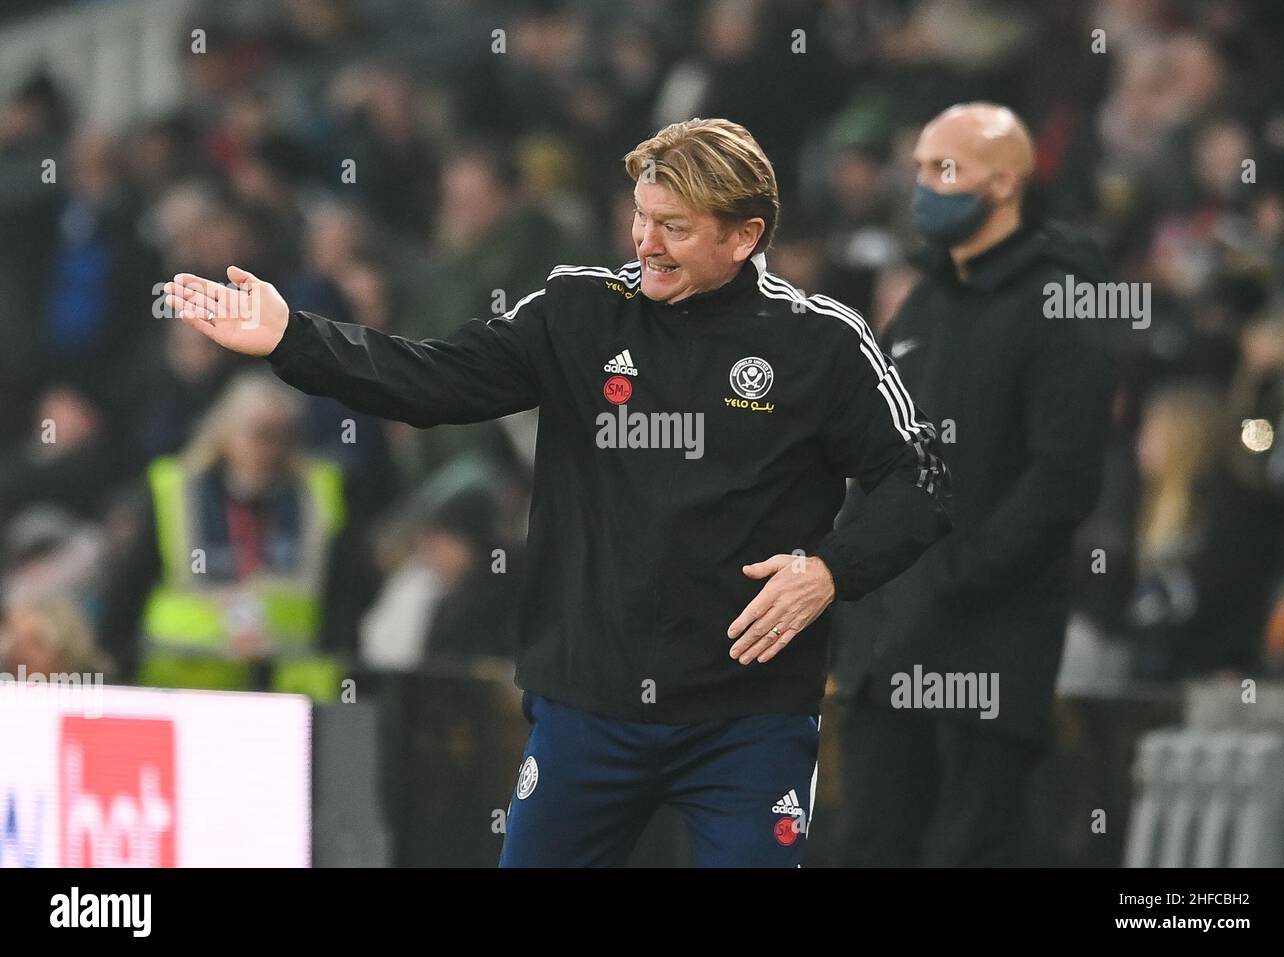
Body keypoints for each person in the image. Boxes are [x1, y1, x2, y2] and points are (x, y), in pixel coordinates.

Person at [163, 117, 950, 868]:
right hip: (588, 708)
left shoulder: (823, 343)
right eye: (641, 217)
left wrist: (830, 570)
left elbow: (917, 482)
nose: (646, 243)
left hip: (749, 719)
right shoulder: (581, 312)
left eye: (674, 226)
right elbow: (433, 380)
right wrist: (293, 336)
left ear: (744, 237)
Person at [832, 103, 1113, 866]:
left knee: (971, 848)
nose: (925, 186)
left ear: (1005, 181)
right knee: (870, 845)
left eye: (945, 170)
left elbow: (1063, 477)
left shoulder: (1060, 304)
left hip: (985, 655)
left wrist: (954, 573)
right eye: (921, 168)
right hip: (887, 653)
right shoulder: (923, 302)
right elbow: (875, 457)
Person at [98, 370, 357, 701]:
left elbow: (345, 596)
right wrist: (114, 672)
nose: (270, 448)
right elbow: (130, 585)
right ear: (225, 431)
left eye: (282, 434)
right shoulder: (177, 490)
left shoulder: (317, 495)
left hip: (286, 691)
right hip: (186, 685)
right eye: (259, 433)